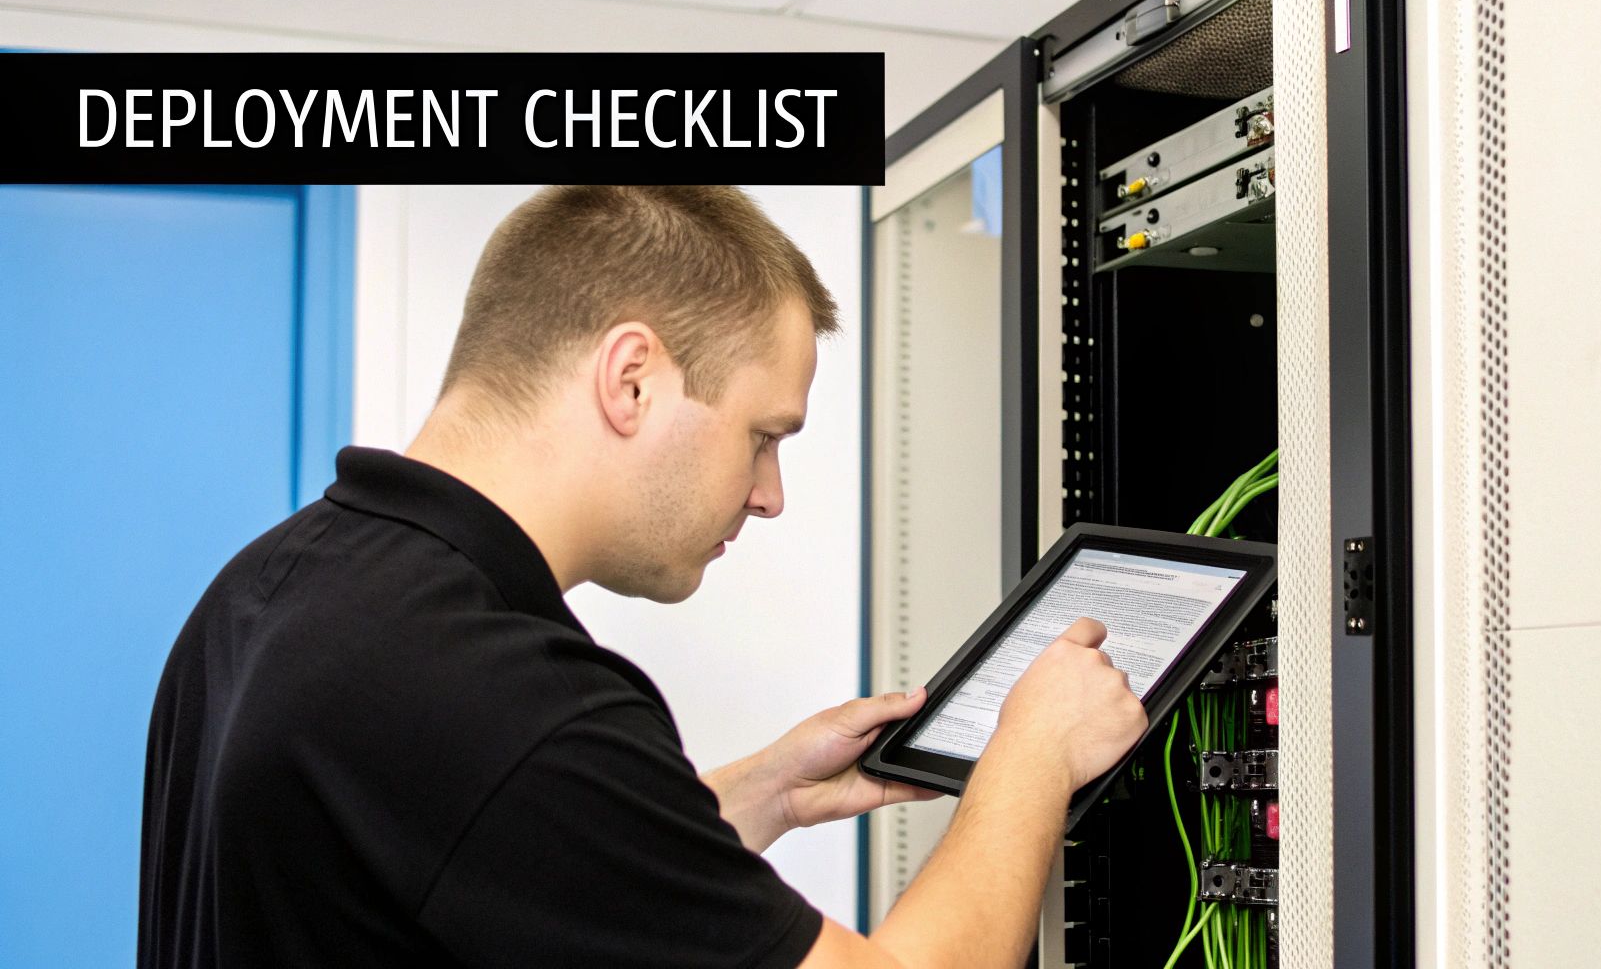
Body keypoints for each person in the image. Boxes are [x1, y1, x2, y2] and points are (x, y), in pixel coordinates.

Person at [139, 184, 1147, 969]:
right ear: (630, 379)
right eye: (762, 435)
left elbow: (467, 852)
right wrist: (1033, 752)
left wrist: (764, 796)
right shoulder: (507, 698)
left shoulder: (270, 591)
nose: (769, 495)